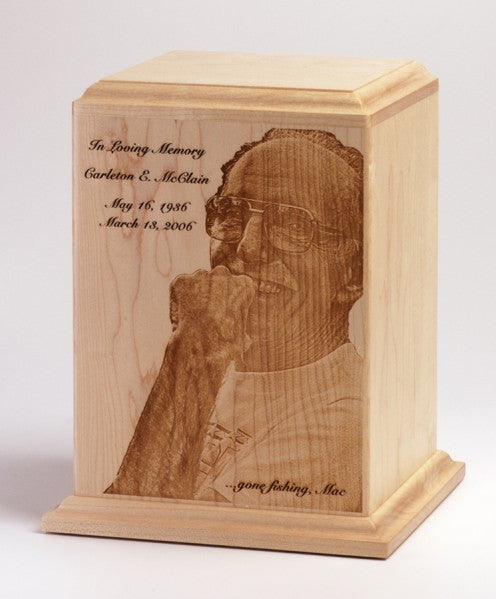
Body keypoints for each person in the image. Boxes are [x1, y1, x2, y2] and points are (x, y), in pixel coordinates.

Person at [105, 128, 364, 513]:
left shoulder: (348, 419)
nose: (247, 247)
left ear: (353, 273)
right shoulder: (224, 373)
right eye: (231, 213)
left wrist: (195, 349)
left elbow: (141, 525)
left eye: (292, 226)